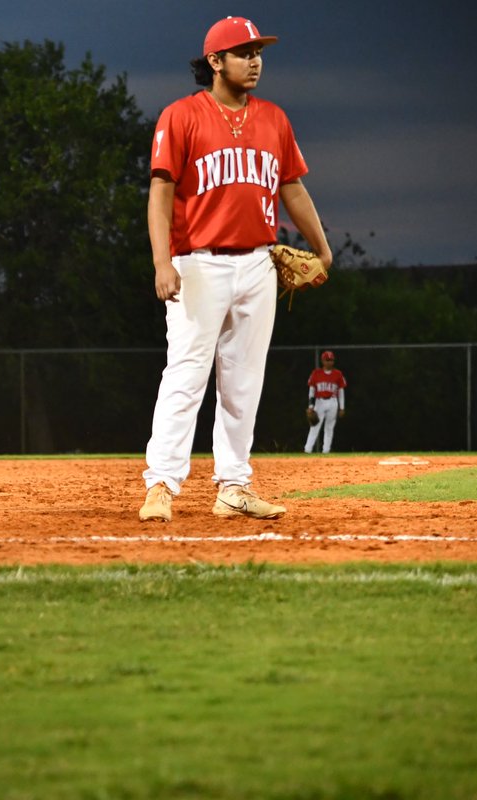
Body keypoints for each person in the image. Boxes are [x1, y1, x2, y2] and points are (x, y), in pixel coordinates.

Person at [138, 17, 333, 522]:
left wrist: (322, 248)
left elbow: (291, 188)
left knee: (244, 381)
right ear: (215, 62)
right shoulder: (181, 116)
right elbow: (160, 192)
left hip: (259, 263)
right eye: (244, 52)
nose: (255, 60)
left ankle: (234, 485)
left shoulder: (274, 119)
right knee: (185, 375)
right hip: (198, 263)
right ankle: (161, 483)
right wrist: (163, 259)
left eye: (259, 52)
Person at [304, 350, 346, 453]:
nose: (329, 362)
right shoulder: (316, 373)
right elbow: (312, 391)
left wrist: (342, 407)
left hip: (333, 402)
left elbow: (341, 391)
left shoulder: (338, 374)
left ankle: (326, 451)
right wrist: (310, 406)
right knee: (314, 426)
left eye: (331, 360)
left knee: (329, 428)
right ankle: (307, 450)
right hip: (319, 402)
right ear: (322, 361)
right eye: (327, 360)